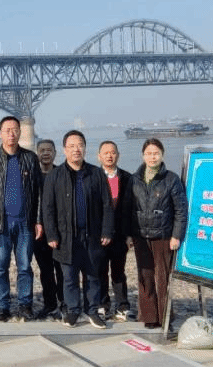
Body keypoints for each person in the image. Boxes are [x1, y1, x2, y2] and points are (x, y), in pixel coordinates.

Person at [41, 130, 114, 328]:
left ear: (85, 148)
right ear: (64, 150)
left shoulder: (96, 173)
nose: (76, 149)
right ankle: (72, 310)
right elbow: (47, 208)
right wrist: (52, 234)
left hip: (92, 234)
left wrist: (107, 231)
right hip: (65, 236)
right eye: (72, 146)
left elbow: (107, 204)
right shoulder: (55, 176)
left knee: (92, 275)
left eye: (80, 145)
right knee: (69, 277)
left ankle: (92, 311)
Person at [0, 116, 43, 322]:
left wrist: (38, 220)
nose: (12, 134)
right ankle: (2, 305)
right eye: (7, 130)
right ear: (0, 133)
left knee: (24, 266)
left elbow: (39, 192)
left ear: (20, 132)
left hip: (25, 222)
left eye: (15, 130)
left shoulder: (30, 158)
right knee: (1, 266)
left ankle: (25, 304)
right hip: (0, 223)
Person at [130, 138, 188, 329]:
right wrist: (128, 234)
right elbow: (127, 209)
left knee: (162, 278)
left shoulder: (171, 179)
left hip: (163, 236)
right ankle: (149, 317)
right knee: (145, 277)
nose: (152, 157)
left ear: (162, 155)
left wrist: (176, 235)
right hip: (140, 235)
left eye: (156, 153)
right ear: (143, 155)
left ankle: (165, 317)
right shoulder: (134, 179)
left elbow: (181, 209)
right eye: (148, 153)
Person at [98, 140, 134, 321]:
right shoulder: (94, 177)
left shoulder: (128, 178)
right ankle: (102, 305)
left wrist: (130, 235)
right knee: (100, 271)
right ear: (99, 156)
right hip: (100, 234)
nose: (109, 156)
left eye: (112, 152)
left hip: (120, 234)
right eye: (106, 153)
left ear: (118, 155)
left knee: (119, 272)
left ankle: (122, 306)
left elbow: (132, 209)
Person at [32, 138, 64, 320]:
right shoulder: (32, 176)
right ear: (37, 153)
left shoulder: (62, 174)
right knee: (45, 270)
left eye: (49, 150)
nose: (45, 153)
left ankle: (65, 302)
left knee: (62, 268)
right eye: (42, 150)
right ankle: (50, 303)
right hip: (38, 231)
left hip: (59, 230)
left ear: (55, 153)